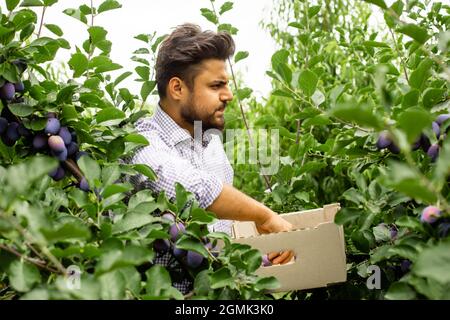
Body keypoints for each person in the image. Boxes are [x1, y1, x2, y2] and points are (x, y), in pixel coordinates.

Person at [128, 23, 294, 294]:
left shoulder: (211, 145)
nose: (228, 95)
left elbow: (222, 231)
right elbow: (193, 189)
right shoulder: (140, 143)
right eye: (217, 85)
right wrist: (264, 216)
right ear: (178, 89)